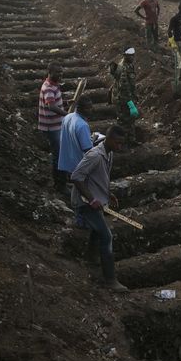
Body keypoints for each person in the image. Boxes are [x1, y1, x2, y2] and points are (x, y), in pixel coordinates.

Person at [70, 125, 128, 292]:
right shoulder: (95, 155)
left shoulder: (108, 154)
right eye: (117, 143)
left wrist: (107, 194)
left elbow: (99, 177)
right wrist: (92, 199)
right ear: (108, 139)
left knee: (97, 231)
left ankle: (90, 259)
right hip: (84, 204)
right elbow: (76, 177)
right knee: (107, 236)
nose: (119, 147)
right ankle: (110, 280)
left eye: (121, 144)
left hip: (95, 200)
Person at [38, 62, 67, 190]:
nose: (60, 75)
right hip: (52, 127)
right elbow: (51, 106)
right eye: (57, 73)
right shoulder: (48, 87)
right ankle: (60, 185)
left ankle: (62, 180)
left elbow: (53, 102)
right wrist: (67, 115)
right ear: (50, 73)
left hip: (55, 126)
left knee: (59, 154)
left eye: (61, 72)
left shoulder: (54, 85)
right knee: (59, 155)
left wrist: (66, 102)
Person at [58, 96, 93, 177]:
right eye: (87, 108)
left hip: (66, 163)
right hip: (78, 165)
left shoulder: (68, 117)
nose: (91, 111)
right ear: (79, 108)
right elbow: (87, 149)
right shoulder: (82, 125)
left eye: (91, 108)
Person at [109, 48, 138, 142]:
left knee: (131, 120)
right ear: (125, 55)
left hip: (127, 97)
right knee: (123, 122)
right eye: (130, 55)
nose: (132, 57)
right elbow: (124, 88)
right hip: (122, 99)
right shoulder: (123, 68)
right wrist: (130, 103)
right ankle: (122, 143)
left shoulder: (130, 65)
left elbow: (131, 85)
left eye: (133, 55)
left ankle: (131, 140)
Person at [167, 2, 181, 82]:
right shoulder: (175, 18)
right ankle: (180, 78)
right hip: (178, 41)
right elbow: (169, 31)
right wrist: (172, 42)